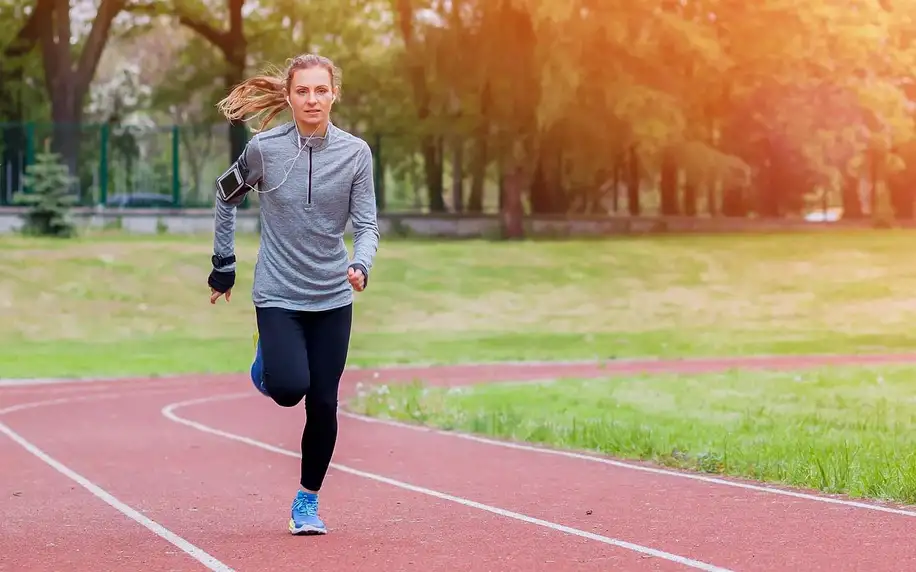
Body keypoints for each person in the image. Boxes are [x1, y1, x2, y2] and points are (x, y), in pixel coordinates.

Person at [206, 53, 380, 536]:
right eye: (302, 90)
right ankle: (267, 363)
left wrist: (361, 263)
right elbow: (225, 195)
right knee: (287, 389)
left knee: (323, 403)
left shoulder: (355, 154)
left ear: (333, 94)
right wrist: (223, 266)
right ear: (288, 96)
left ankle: (307, 501)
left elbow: (366, 223)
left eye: (320, 90)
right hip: (279, 293)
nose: (311, 99)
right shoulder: (264, 149)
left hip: (331, 296)